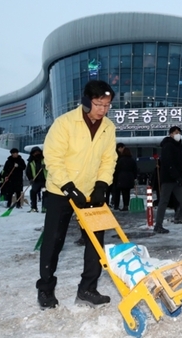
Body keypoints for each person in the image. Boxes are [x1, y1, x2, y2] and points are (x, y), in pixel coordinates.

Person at [36, 80, 117, 310]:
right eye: (98, 104)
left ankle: (87, 289)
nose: (102, 109)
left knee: (95, 241)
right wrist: (68, 186)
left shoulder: (108, 127)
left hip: (91, 193)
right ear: (86, 101)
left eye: (107, 105)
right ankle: (45, 289)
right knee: (53, 241)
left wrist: (102, 184)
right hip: (61, 191)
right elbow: (52, 157)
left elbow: (108, 159)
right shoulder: (64, 123)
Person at [112, 146, 137, 211]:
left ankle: (117, 205)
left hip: (122, 177)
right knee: (127, 192)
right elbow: (135, 170)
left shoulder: (121, 160)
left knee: (121, 192)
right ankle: (126, 205)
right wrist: (134, 177)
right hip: (129, 178)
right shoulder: (132, 160)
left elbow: (117, 169)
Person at [25, 146, 47, 213]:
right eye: (35, 152)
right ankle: (34, 207)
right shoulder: (31, 161)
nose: (36, 153)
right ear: (32, 153)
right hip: (36, 181)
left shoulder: (45, 159)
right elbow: (28, 171)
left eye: (38, 152)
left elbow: (51, 167)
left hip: (44, 181)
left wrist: (46, 166)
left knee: (45, 194)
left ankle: (44, 208)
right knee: (33, 192)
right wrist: (30, 179)